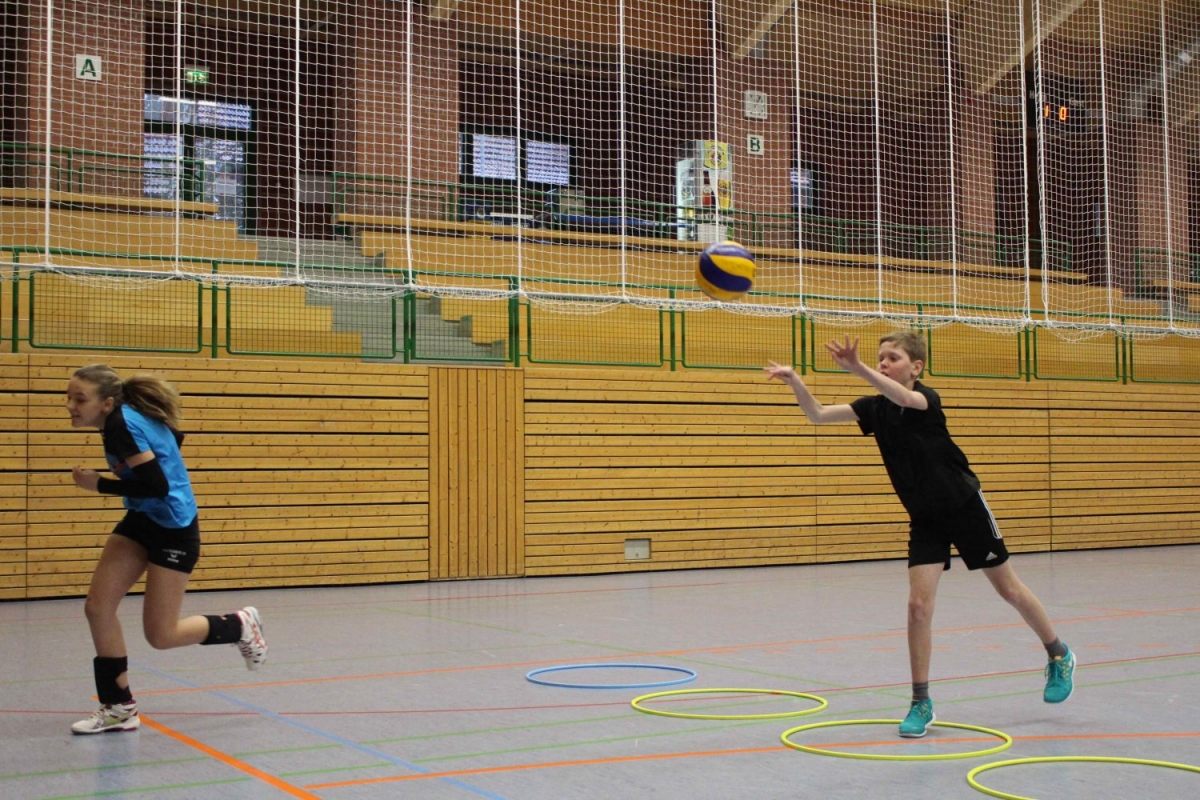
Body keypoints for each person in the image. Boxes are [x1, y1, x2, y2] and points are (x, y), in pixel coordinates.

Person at [765, 332, 1075, 738]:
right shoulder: (874, 409)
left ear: (916, 367)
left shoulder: (926, 399)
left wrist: (856, 368)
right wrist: (796, 383)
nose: (882, 363)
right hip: (925, 517)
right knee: (917, 607)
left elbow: (904, 399)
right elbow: (818, 415)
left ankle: (1059, 654)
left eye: (891, 358)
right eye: (879, 358)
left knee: (1010, 590)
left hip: (964, 507)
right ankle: (921, 701)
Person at [65, 364, 268, 735]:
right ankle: (119, 708)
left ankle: (239, 625)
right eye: (68, 397)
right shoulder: (125, 418)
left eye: (80, 399)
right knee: (98, 607)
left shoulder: (121, 427)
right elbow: (175, 438)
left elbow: (157, 486)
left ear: (107, 403)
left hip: (173, 528)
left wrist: (99, 486)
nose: (71, 406)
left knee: (161, 635)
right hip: (142, 518)